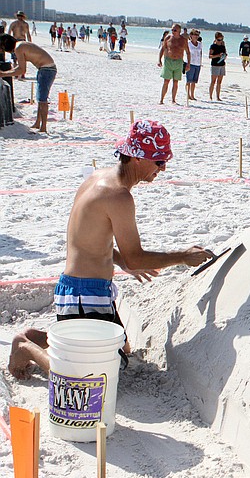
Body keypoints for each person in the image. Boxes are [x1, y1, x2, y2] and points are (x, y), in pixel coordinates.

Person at [7, 120, 213, 380]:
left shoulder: (98, 177)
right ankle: (24, 346)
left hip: (86, 290)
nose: (162, 168)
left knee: (121, 350)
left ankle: (49, 337)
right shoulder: (119, 196)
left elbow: (85, 237)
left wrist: (119, 260)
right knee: (83, 376)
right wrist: (183, 256)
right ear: (137, 158)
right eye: (159, 161)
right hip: (84, 294)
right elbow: (135, 257)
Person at [0, 35, 57, 133]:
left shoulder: (18, 48)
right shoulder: (21, 44)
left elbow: (22, 69)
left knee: (42, 99)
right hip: (45, 68)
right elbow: (19, 68)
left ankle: (43, 127)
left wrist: (3, 74)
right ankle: (38, 123)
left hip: (47, 69)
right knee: (40, 98)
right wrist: (6, 73)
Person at [157, 24, 190, 104]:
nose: (173, 32)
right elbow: (163, 49)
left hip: (178, 62)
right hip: (168, 61)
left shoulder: (183, 40)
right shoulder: (168, 38)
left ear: (179, 31)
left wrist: (188, 63)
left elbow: (188, 52)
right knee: (166, 81)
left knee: (176, 82)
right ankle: (161, 100)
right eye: (172, 30)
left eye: (175, 30)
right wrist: (159, 60)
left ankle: (173, 100)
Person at [208, 32, 227, 101]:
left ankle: (218, 96)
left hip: (222, 64)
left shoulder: (223, 46)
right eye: (219, 40)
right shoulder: (213, 46)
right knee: (213, 81)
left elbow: (225, 54)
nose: (220, 41)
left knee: (219, 82)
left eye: (221, 40)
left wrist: (224, 56)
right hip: (215, 65)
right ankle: (210, 96)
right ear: (216, 39)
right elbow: (210, 56)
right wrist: (218, 55)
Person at [185, 29, 203, 101]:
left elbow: (200, 53)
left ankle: (192, 95)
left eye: (197, 35)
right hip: (190, 63)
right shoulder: (188, 43)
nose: (196, 36)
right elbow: (186, 53)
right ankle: (188, 95)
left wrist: (200, 63)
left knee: (194, 81)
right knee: (189, 80)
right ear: (191, 35)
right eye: (195, 34)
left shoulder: (200, 44)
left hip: (197, 64)